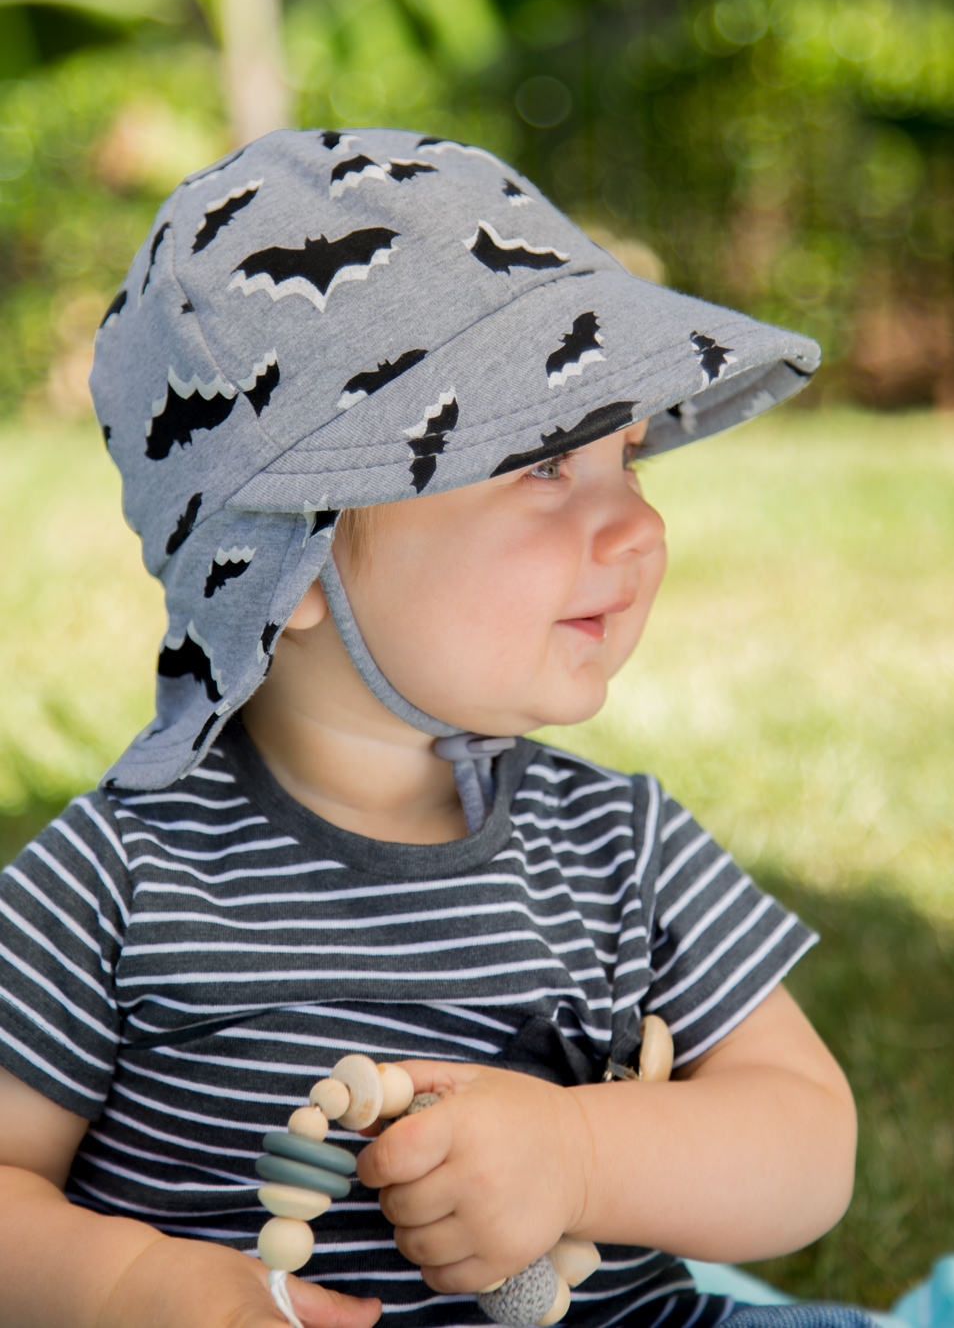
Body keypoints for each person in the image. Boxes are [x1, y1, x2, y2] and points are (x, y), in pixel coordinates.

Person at [0, 128, 865, 1328]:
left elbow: (810, 1142)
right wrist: (135, 1289)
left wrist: (579, 1152)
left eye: (628, 455)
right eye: (548, 466)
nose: (640, 528)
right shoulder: (118, 880)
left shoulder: (622, 848)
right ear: (285, 564)